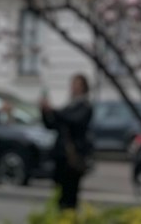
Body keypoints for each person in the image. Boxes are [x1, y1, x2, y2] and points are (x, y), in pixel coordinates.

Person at [41, 74, 93, 211]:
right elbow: (52, 125)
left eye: (77, 85)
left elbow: (74, 121)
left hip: (73, 156)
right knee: (60, 192)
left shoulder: (85, 106)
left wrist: (54, 110)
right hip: (61, 155)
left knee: (70, 193)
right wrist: (45, 112)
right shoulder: (69, 106)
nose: (74, 88)